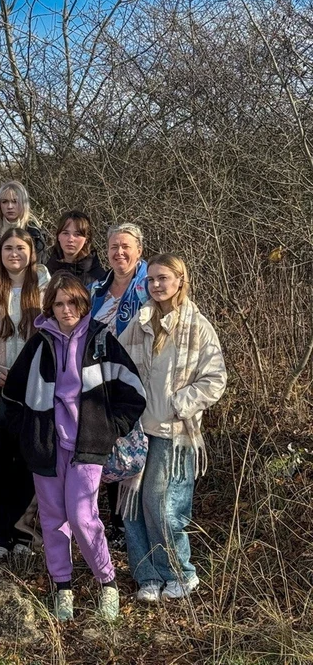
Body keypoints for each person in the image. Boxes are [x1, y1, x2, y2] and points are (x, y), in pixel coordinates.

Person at [3, 273, 146, 622]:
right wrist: (28, 435)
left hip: (87, 446)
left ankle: (107, 582)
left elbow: (134, 393)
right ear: (50, 306)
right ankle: (62, 588)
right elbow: (12, 396)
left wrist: (110, 430)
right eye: (59, 303)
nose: (66, 309)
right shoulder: (38, 344)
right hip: (46, 448)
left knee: (83, 518)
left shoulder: (101, 340)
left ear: (83, 304)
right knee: (52, 520)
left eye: (73, 303)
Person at [118, 254, 227, 603]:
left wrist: (179, 405)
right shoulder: (141, 320)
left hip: (175, 432)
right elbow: (117, 363)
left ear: (180, 279)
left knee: (163, 507)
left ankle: (180, 573)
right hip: (137, 431)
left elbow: (215, 379)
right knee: (133, 507)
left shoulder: (198, 326)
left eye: (163, 278)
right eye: (151, 280)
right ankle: (147, 576)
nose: (157, 285)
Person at [0, 227, 50, 558]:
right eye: (8, 248)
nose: (14, 253)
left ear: (31, 253)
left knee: (27, 460)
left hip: (34, 387)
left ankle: (23, 531)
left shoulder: (45, 290)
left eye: (21, 247)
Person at [90, 223, 149, 543]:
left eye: (126, 246)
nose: (119, 252)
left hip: (141, 381)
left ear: (139, 250)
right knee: (112, 447)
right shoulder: (97, 290)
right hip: (103, 381)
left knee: (138, 453)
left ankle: (134, 527)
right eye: (114, 247)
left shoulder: (148, 286)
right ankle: (115, 523)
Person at [0, 181, 47, 266]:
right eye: (5, 201)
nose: (10, 206)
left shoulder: (35, 234)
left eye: (15, 201)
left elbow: (39, 269)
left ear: (23, 204)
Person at [46, 210, 106, 288]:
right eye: (65, 233)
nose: (70, 239)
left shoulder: (98, 278)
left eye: (77, 234)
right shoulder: (45, 273)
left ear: (86, 239)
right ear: (58, 236)